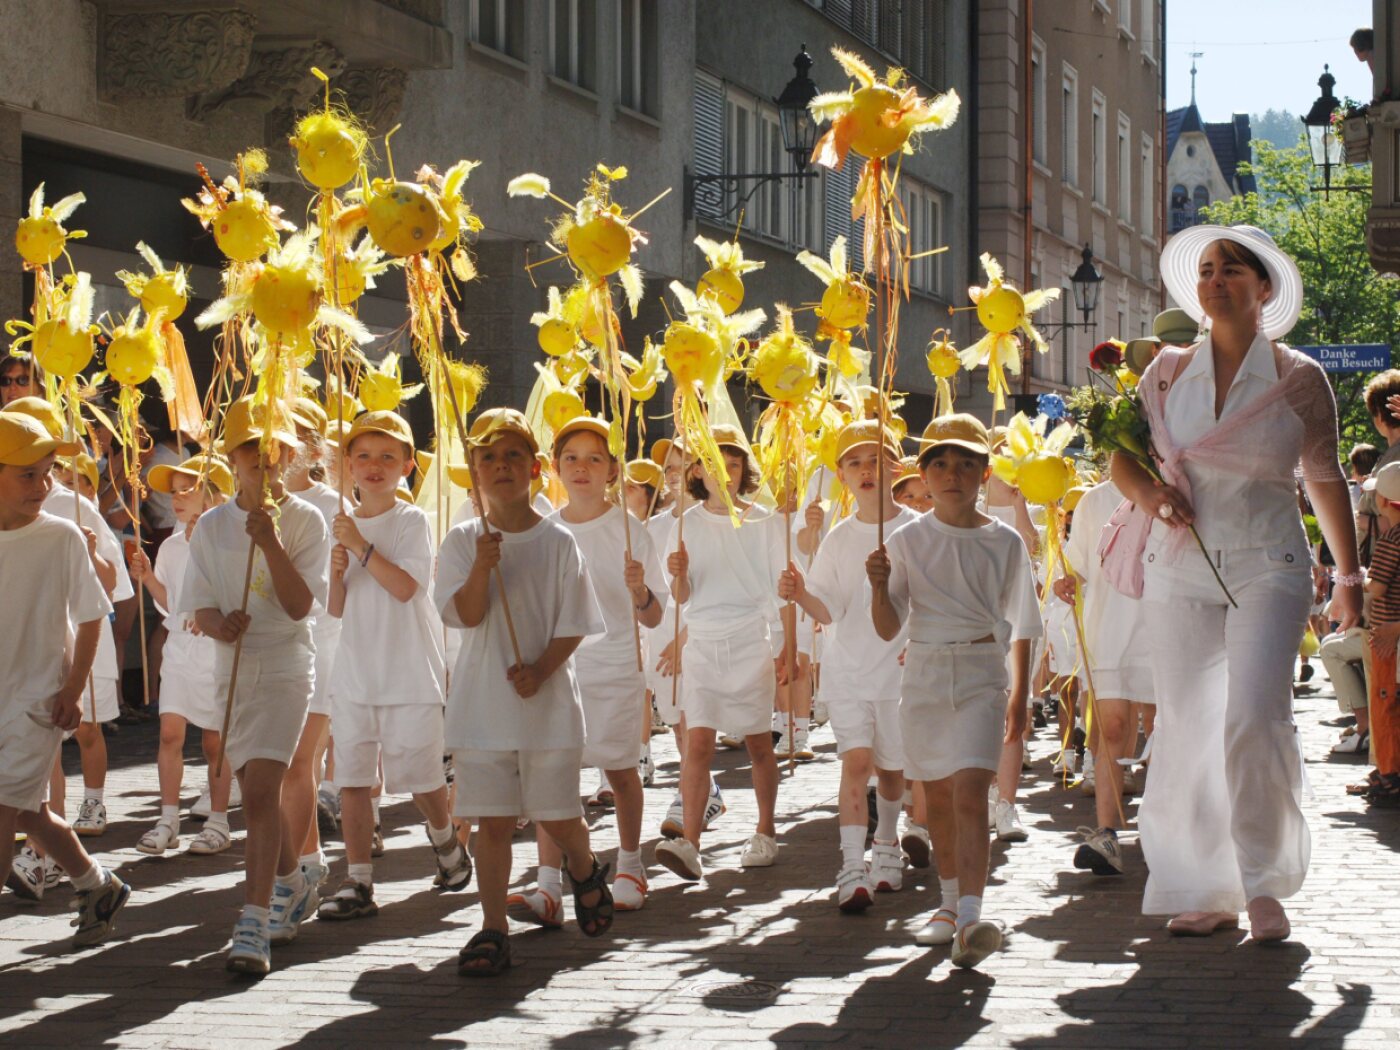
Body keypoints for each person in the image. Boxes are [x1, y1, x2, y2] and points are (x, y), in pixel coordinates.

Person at [1113, 224, 1360, 942]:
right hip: (1178, 567)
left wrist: (1347, 575)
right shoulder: (1163, 373)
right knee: (1187, 724)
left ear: (1264, 287)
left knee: (1254, 717)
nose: (1216, 280)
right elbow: (1122, 460)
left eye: (1231, 270)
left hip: (1270, 565)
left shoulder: (1299, 377)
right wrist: (1152, 496)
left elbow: (1324, 477)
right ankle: (1205, 886)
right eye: (1207, 270)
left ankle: (1262, 883)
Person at [435, 408, 613, 976]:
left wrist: (540, 669)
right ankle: (493, 927)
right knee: (493, 821)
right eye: (488, 457)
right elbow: (465, 615)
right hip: (482, 707)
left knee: (554, 814)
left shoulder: (558, 541)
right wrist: (481, 568)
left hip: (546, 706)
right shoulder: (462, 541)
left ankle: (582, 864)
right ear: (474, 472)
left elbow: (575, 621)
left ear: (536, 467)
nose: (501, 465)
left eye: (513, 454)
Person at [866, 413, 1040, 967]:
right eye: (939, 464)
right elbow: (888, 627)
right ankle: (946, 903)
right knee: (936, 798)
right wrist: (877, 587)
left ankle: (970, 915)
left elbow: (1025, 623)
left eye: (966, 464)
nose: (952, 475)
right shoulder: (905, 539)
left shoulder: (1006, 542)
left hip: (982, 673)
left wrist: (1020, 696)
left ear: (985, 473)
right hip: (924, 674)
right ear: (924, 474)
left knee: (969, 793)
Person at [179, 396, 331, 974]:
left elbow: (299, 605)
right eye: (250, 450)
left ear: (290, 456)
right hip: (232, 669)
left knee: (263, 791)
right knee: (257, 791)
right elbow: (200, 606)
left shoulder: (306, 520)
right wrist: (221, 624)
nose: (262, 461)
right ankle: (291, 881)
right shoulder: (211, 526)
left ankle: (253, 922)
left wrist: (270, 540)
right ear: (231, 458)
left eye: (273, 450)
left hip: (286, 664)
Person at [317, 411, 470, 923]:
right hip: (355, 672)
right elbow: (336, 607)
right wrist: (338, 568)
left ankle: (444, 838)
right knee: (353, 781)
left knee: (423, 779)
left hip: (408, 671)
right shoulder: (341, 523)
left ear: (407, 465)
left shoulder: (411, 521)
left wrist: (360, 548)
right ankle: (358, 880)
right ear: (348, 464)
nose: (374, 465)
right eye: (363, 455)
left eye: (387, 456)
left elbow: (405, 587)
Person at [510, 417, 665, 920]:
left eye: (595, 458)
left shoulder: (631, 530)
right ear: (555, 468)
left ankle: (630, 864)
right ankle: (548, 885)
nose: (582, 468)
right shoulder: (542, 530)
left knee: (619, 771)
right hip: (558, 669)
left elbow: (654, 615)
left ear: (613, 470)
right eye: (571, 458)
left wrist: (640, 590)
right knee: (552, 779)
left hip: (616, 667)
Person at [0, 411, 130, 945]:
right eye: (26, 474)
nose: (43, 485)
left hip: (37, 702)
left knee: (3, 810)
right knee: (30, 813)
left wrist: (72, 690)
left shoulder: (62, 537)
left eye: (47, 471)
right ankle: (98, 885)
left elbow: (94, 615)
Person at [779, 420, 916, 912]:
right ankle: (852, 866)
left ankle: (887, 840)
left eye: (876, 460)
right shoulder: (837, 539)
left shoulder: (917, 531)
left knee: (893, 769)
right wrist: (801, 593)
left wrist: (920, 641)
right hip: (849, 671)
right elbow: (829, 609)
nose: (866, 470)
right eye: (854, 463)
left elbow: (927, 600)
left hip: (900, 674)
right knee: (857, 762)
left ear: (895, 467)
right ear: (841, 475)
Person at [654, 425, 786, 883]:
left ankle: (766, 831)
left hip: (750, 641)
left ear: (744, 470)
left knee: (758, 743)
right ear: (697, 472)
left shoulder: (765, 520)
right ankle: (690, 842)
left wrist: (787, 647)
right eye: (713, 464)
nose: (724, 473)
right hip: (704, 646)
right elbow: (682, 597)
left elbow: (781, 590)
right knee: (698, 743)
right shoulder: (684, 524)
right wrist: (679, 573)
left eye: (732, 464)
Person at [129, 453, 236, 856]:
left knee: (214, 742)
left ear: (213, 495)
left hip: (215, 651)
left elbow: (237, 592)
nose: (176, 498)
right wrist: (146, 577)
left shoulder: (230, 540)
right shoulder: (171, 547)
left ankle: (219, 821)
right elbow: (170, 604)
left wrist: (211, 615)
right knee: (170, 732)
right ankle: (168, 820)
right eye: (174, 492)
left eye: (187, 490)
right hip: (179, 651)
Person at [1055, 477, 1156, 876]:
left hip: (1162, 627)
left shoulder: (1173, 487)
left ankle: (1162, 822)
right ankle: (1106, 834)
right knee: (1112, 728)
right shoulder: (1094, 501)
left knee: (1161, 730)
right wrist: (1068, 580)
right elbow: (1079, 563)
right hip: (1110, 631)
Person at [283, 397, 350, 887]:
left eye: (304, 435)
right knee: (279, 765)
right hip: (270, 645)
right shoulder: (248, 504)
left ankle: (307, 860)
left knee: (299, 760)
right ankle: (294, 857)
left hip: (322, 642)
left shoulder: (335, 505)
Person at [1359, 462, 1400, 805]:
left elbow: (1379, 587)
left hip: (1389, 637)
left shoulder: (1391, 539)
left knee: (1385, 705)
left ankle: (1390, 773)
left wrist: (1360, 580)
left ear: (1385, 502)